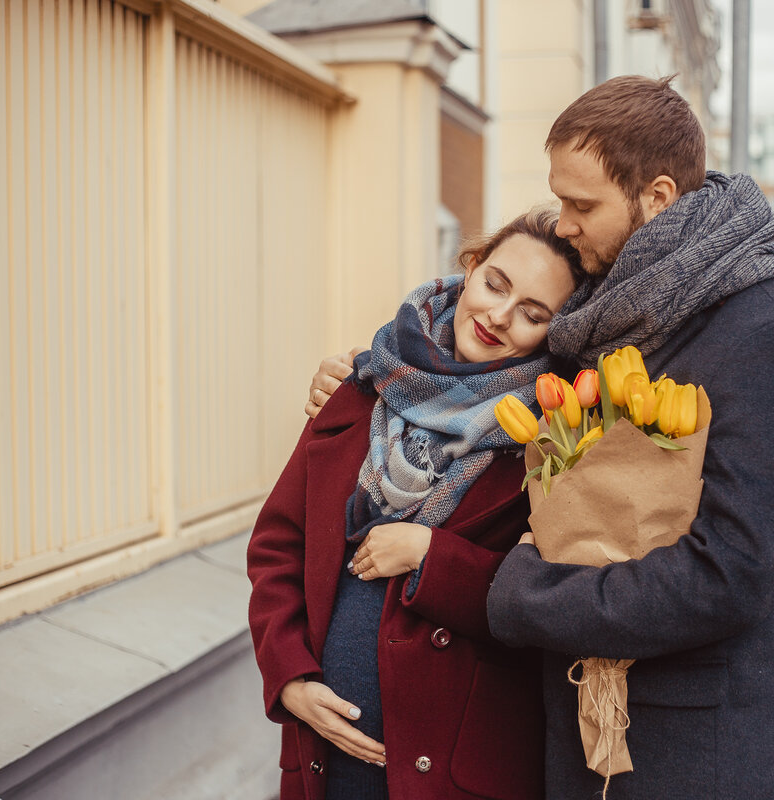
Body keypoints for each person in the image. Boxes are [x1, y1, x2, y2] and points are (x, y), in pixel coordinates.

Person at [307, 75, 774, 799]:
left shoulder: (772, 337)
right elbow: (482, 365)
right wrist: (375, 376)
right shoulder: (604, 306)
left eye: (581, 205)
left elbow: (730, 574)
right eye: (559, 198)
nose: (561, 223)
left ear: (656, 199)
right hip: (570, 741)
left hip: (697, 756)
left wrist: (514, 594)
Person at [248, 207, 584, 800]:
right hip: (325, 754)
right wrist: (290, 677)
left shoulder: (554, 434)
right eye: (496, 285)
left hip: (456, 767)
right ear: (472, 266)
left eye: (533, 314)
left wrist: (433, 557)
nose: (498, 317)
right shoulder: (363, 384)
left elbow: (552, 599)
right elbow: (279, 547)